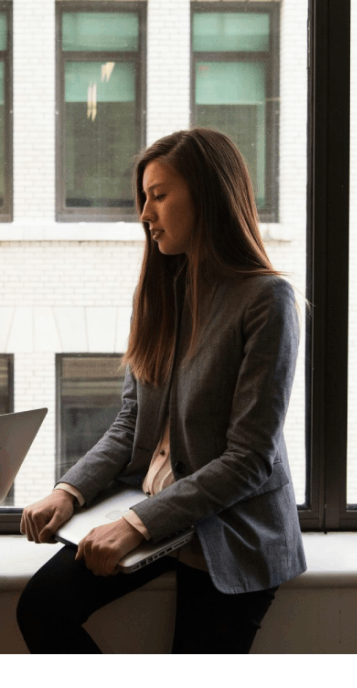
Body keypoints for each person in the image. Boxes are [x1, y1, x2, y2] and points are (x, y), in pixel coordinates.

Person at [17, 129, 306, 655]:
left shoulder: (268, 300)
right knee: (40, 607)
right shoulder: (158, 294)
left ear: (209, 193)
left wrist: (137, 525)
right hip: (152, 506)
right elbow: (132, 424)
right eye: (143, 197)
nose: (145, 213)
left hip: (230, 526)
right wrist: (69, 491)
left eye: (159, 195)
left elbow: (249, 460)